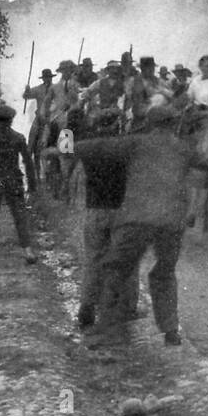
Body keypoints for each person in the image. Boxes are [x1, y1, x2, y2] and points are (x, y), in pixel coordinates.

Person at [74, 104, 208, 349]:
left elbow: (96, 147)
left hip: (137, 220)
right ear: (173, 124)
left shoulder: (136, 143)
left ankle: (105, 329)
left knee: (115, 269)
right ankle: (171, 331)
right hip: (172, 222)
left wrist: (61, 149)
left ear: (151, 124)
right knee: (164, 274)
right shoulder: (183, 149)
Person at [73, 123, 139, 329]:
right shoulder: (127, 149)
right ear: (118, 128)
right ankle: (127, 307)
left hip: (95, 211)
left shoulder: (87, 149)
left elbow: (61, 150)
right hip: (122, 212)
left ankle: (87, 306)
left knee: (93, 260)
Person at [0, 104, 38, 266]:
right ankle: (28, 251)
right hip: (13, 180)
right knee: (20, 217)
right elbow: (28, 162)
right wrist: (32, 184)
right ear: (11, 120)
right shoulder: (18, 138)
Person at [80, 61, 125, 135]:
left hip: (116, 110)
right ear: (108, 70)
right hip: (102, 110)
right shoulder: (100, 82)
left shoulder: (122, 84)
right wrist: (85, 99)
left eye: (116, 69)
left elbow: (125, 98)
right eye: (112, 69)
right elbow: (88, 92)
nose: (114, 71)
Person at [23, 67, 54, 170]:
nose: (47, 79)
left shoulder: (56, 88)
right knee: (32, 135)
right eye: (45, 77)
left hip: (52, 117)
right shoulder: (38, 89)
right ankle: (28, 156)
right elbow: (26, 96)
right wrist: (27, 90)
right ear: (43, 79)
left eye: (49, 77)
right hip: (39, 117)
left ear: (51, 78)